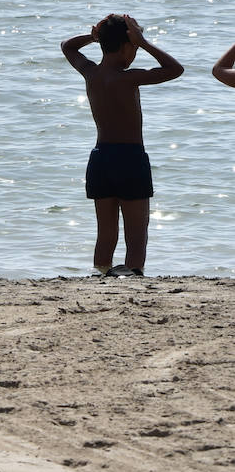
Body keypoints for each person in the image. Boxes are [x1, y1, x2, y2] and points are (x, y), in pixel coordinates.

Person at [62, 14, 183, 276]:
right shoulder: (128, 78)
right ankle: (134, 272)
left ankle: (101, 273)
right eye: (136, 48)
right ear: (128, 45)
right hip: (130, 158)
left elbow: (67, 46)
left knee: (105, 233)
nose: (137, 52)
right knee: (136, 233)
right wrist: (146, 42)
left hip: (100, 159)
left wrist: (92, 37)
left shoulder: (90, 72)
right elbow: (175, 69)